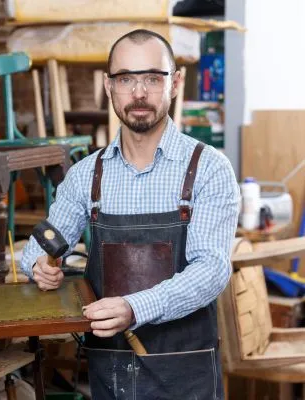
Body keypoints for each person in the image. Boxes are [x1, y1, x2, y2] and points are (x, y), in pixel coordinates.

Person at [21, 29, 240, 399]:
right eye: (126, 79)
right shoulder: (86, 176)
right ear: (109, 86)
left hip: (187, 374)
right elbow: (39, 248)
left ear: (175, 83)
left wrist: (134, 308)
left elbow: (212, 270)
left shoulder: (209, 169)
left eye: (153, 78)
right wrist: (39, 267)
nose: (139, 93)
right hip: (111, 374)